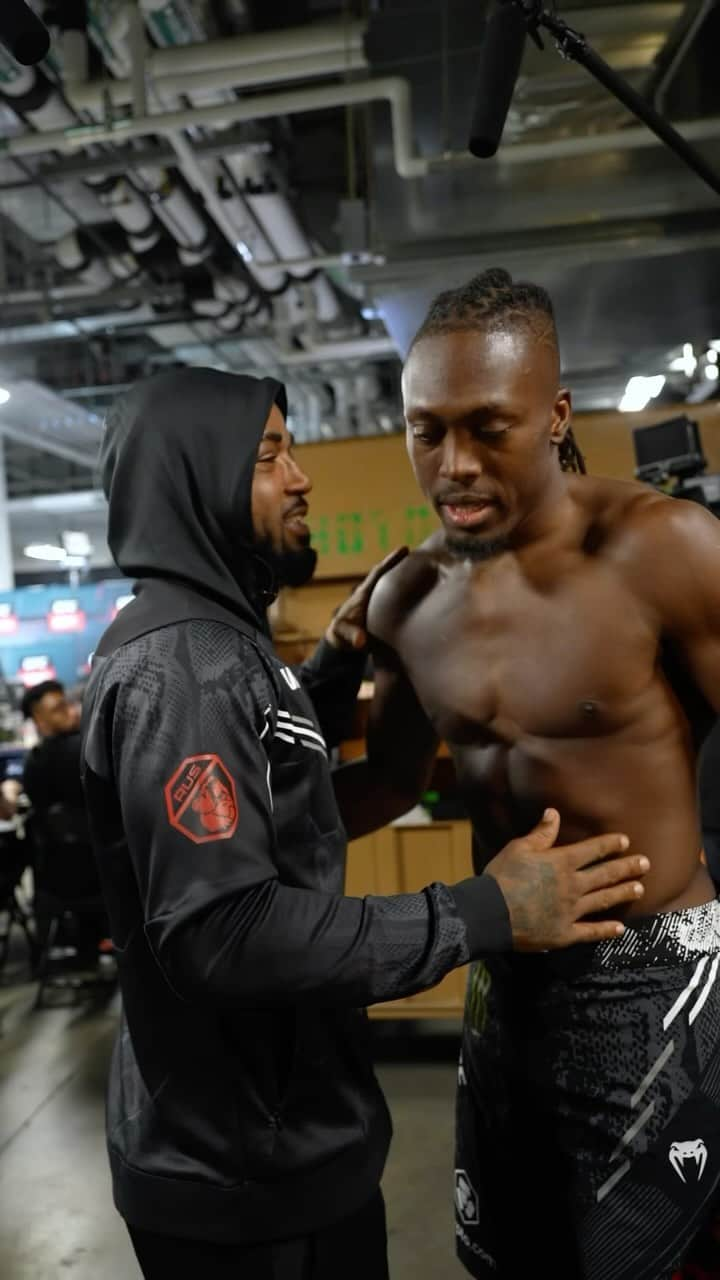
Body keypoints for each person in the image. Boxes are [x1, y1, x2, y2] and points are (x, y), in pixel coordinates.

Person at [80, 367, 649, 1280]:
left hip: (284, 1144)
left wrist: (338, 662)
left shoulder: (223, 648)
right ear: (198, 483)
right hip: (243, 1181)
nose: (300, 477)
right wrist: (478, 912)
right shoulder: (183, 667)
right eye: (270, 457)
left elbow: (266, 810)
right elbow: (222, 930)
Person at [367, 268, 720, 1280]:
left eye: (488, 427)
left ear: (558, 413)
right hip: (505, 960)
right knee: (503, 1258)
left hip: (653, 967)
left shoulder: (663, 549)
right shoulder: (404, 597)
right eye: (426, 430)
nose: (455, 464)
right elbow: (390, 785)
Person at [21, 679, 108, 967]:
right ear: (38, 718)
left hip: (57, 881)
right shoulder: (84, 750)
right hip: (101, 875)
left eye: (68, 704)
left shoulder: (33, 763)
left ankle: (86, 948)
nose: (71, 711)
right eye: (58, 709)